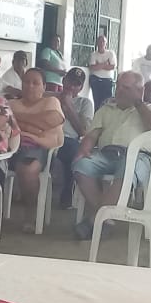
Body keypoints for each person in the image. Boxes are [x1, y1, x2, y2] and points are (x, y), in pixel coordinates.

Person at [72, 70, 151, 238]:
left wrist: (138, 103)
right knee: (81, 165)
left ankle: (95, 220)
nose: (119, 90)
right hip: (107, 154)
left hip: (138, 156)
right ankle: (105, 220)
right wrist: (84, 149)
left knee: (127, 166)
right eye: (118, 86)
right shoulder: (106, 109)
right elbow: (92, 135)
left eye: (125, 88)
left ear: (139, 91)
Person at [8, 68, 64, 228]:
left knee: (28, 169)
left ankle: (30, 212)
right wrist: (36, 125)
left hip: (40, 146)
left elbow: (51, 120)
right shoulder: (12, 104)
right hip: (11, 147)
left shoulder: (51, 102)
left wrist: (17, 118)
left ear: (44, 86)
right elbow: (4, 124)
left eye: (35, 83)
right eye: (26, 82)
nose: (30, 86)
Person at [56, 67, 94, 208]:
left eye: (76, 84)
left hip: (68, 139)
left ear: (81, 87)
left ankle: (67, 196)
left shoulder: (85, 103)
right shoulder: (51, 97)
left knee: (74, 153)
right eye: (70, 81)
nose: (72, 86)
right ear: (63, 80)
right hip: (47, 137)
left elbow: (83, 131)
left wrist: (69, 107)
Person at [87, 34, 117, 105]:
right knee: (97, 102)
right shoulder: (94, 54)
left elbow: (112, 67)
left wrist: (98, 65)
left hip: (107, 80)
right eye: (99, 41)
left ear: (106, 43)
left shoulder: (110, 53)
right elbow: (93, 67)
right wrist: (105, 64)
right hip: (96, 80)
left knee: (107, 102)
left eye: (103, 41)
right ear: (97, 43)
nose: (101, 43)